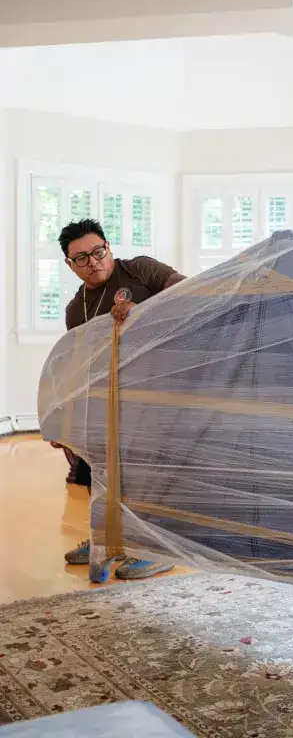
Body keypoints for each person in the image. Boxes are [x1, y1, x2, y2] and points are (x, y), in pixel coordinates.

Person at [54, 218, 187, 581]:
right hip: (112, 399)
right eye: (81, 258)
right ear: (70, 265)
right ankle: (105, 540)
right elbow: (80, 364)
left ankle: (154, 549)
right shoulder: (74, 309)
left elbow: (189, 296)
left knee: (147, 475)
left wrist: (141, 314)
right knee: (103, 473)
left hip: (161, 390)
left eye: (98, 252)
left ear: (108, 247)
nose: (93, 262)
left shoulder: (141, 271)